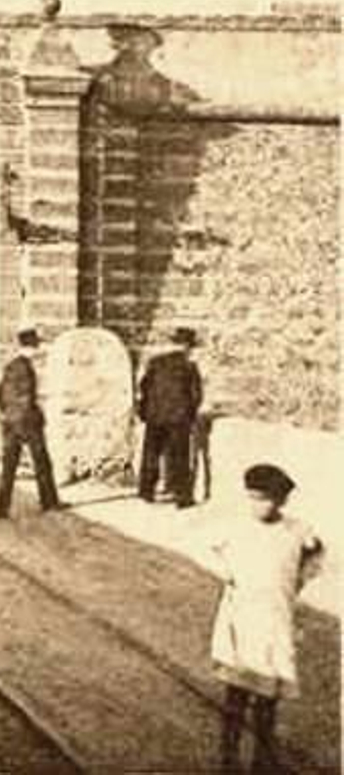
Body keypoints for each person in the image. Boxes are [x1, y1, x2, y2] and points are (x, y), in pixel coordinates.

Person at [209, 463, 324, 773]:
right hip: (242, 619)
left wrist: (299, 581)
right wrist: (227, 573)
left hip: (275, 620)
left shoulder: (297, 530)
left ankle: (262, 758)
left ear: (281, 501)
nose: (258, 505)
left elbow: (315, 554)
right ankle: (229, 759)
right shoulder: (235, 526)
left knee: (268, 695)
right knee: (237, 692)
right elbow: (208, 549)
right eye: (252, 497)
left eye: (265, 499)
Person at [0, 327, 64, 518]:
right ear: (31, 346)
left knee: (9, 466)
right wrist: (35, 416)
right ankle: (49, 502)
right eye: (36, 345)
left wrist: (7, 412)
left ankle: (2, 508)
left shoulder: (10, 366)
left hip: (9, 422)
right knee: (42, 463)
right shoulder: (26, 368)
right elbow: (27, 398)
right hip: (27, 422)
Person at [138, 326, 205, 508]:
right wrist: (190, 413)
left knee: (151, 454)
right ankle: (182, 496)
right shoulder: (189, 367)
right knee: (179, 456)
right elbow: (196, 395)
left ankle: (146, 491)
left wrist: (144, 412)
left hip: (155, 416)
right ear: (187, 346)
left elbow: (144, 387)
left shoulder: (155, 362)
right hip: (178, 418)